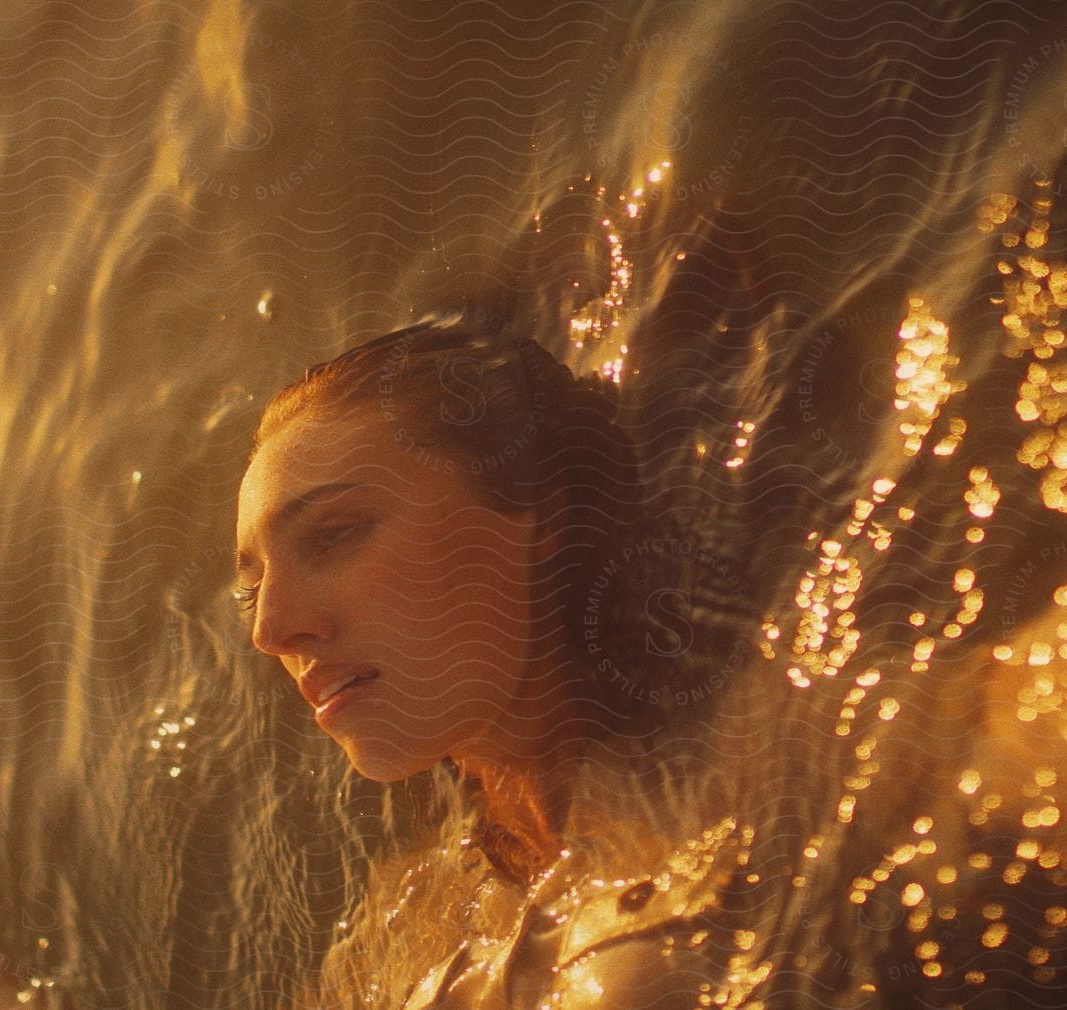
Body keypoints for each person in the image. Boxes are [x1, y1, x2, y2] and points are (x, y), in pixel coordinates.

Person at [232, 306, 758, 1009]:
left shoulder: (783, 752)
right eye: (251, 585)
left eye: (335, 535)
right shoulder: (401, 932)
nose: (270, 629)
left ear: (538, 509)